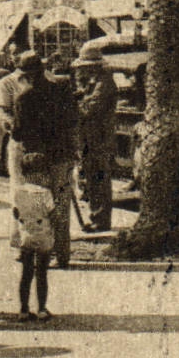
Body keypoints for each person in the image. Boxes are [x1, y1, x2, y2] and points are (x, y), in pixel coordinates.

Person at [0, 51, 78, 268]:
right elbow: (72, 122)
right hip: (61, 156)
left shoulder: (24, 98)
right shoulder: (61, 91)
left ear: (27, 75)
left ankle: (43, 252)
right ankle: (63, 254)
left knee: (39, 208)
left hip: (36, 160)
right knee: (61, 206)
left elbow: (18, 133)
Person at [72, 50, 117, 233]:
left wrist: (71, 104)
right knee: (91, 178)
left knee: (99, 179)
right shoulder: (92, 83)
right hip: (89, 139)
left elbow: (89, 108)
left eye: (83, 68)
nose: (79, 72)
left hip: (100, 139)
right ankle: (95, 215)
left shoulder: (104, 83)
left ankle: (101, 218)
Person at [11, 151, 57, 321]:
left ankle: (23, 309)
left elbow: (16, 212)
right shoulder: (45, 193)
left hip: (26, 236)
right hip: (43, 236)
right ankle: (42, 309)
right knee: (42, 273)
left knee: (26, 273)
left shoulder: (18, 192)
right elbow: (53, 214)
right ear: (42, 174)